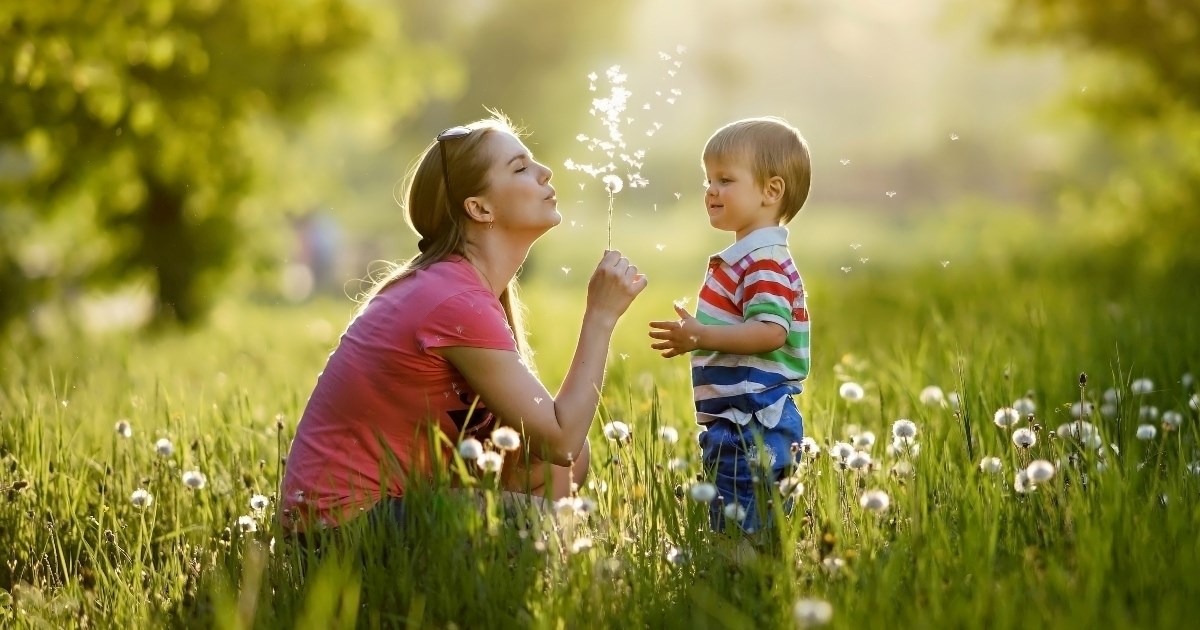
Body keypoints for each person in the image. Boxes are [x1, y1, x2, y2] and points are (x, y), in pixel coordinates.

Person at [280, 115, 647, 531]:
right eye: (521, 168)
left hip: (382, 510)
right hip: (339, 530)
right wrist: (600, 316)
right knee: (543, 515)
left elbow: (553, 447)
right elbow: (562, 438)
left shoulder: (458, 286)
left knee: (543, 466)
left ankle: (502, 580)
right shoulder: (454, 300)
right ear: (479, 208)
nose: (545, 172)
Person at [648, 116, 811, 533]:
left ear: (771, 191)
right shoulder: (749, 257)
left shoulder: (763, 261)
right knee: (748, 515)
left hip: (753, 421)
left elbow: (771, 331)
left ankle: (744, 581)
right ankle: (752, 578)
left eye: (725, 179)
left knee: (743, 522)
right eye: (708, 180)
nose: (711, 191)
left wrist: (702, 336)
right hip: (741, 418)